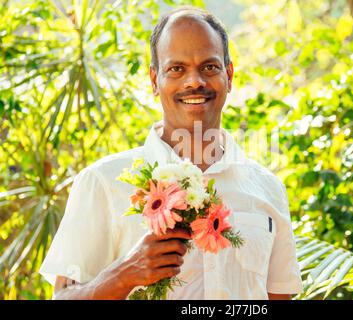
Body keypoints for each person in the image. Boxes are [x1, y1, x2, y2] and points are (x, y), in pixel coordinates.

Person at [39, 6, 302, 300]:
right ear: (154, 80)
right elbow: (62, 297)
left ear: (229, 74)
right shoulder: (101, 182)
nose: (194, 82)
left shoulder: (268, 188)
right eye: (177, 69)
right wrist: (123, 275)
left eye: (209, 67)